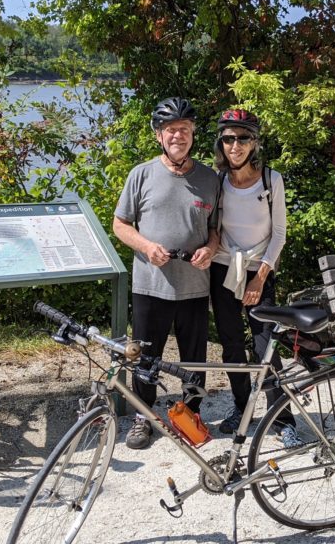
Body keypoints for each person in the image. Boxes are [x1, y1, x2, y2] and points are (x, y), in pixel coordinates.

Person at [112, 97, 221, 450]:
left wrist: (211, 249)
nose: (179, 136)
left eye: (185, 130)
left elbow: (216, 229)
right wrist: (146, 247)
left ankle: (191, 414)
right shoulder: (140, 174)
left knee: (194, 358)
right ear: (159, 135)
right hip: (150, 284)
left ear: (193, 135)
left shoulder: (209, 178)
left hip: (193, 286)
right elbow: (120, 224)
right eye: (171, 130)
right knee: (144, 356)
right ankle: (143, 417)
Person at [209, 108, 301, 448]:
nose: (235, 145)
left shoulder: (270, 180)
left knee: (266, 346)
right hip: (224, 268)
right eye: (229, 138)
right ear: (221, 142)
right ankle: (241, 407)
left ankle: (283, 418)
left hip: (259, 269)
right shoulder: (218, 181)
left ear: (254, 142)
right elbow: (214, 228)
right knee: (232, 344)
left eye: (243, 138)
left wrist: (260, 278)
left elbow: (279, 235)